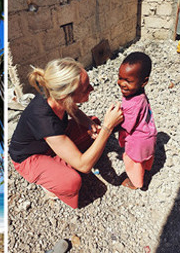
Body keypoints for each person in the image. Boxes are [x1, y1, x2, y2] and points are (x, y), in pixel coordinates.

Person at [9, 58, 124, 209]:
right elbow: (84, 166)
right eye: (85, 88)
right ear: (66, 96)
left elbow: (72, 108)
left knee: (94, 123)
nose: (92, 89)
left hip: (51, 140)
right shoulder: (43, 118)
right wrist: (108, 127)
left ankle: (60, 161)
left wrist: (88, 123)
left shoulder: (55, 95)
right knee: (72, 181)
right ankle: (50, 182)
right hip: (29, 158)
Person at [116, 52, 157, 190]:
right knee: (144, 159)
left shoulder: (132, 103)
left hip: (138, 141)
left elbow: (125, 124)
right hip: (149, 134)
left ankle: (136, 182)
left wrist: (108, 126)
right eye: (120, 78)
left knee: (134, 162)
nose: (122, 83)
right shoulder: (140, 94)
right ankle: (146, 169)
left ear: (144, 82)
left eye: (128, 81)